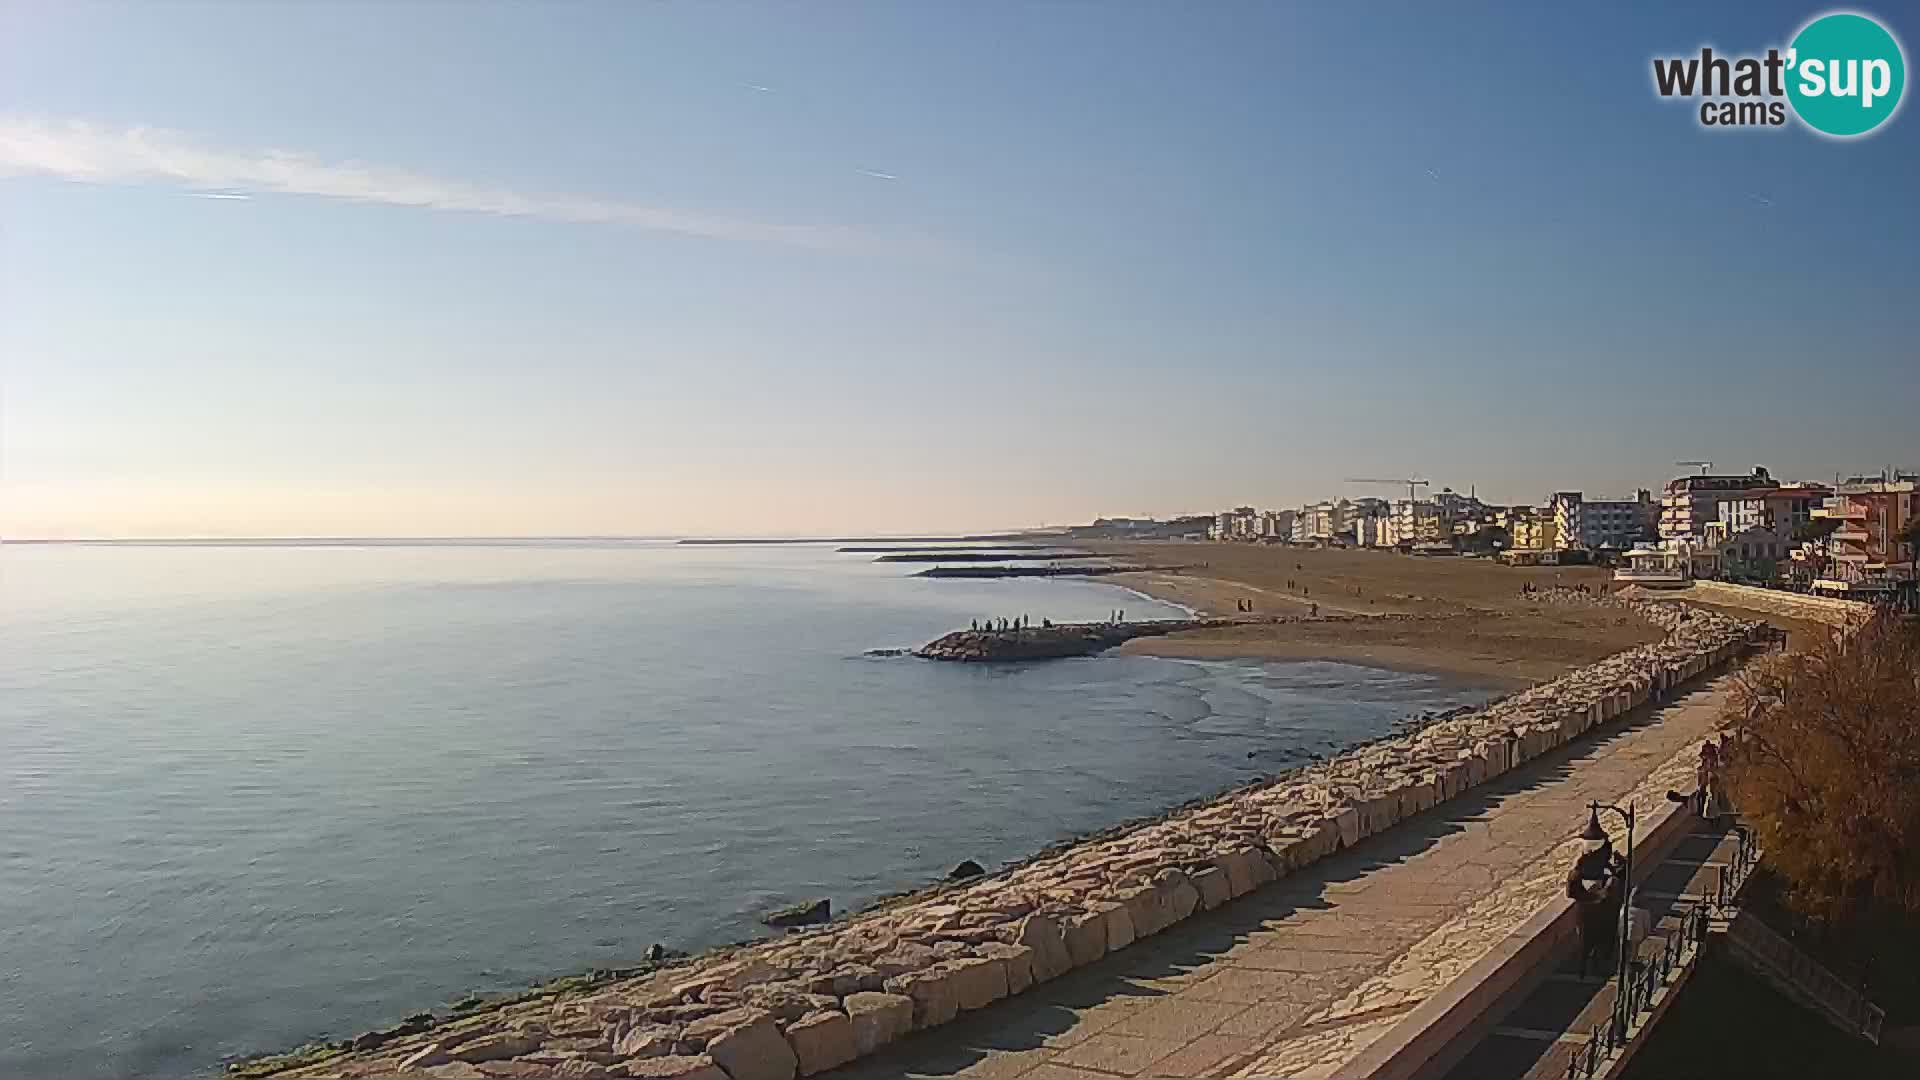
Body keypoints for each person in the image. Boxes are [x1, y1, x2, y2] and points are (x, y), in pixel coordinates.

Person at [1567, 833, 1626, 977]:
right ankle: (1593, 967)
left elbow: (1572, 892)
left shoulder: (1590, 873)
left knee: (1587, 944)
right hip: (1602, 915)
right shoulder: (1608, 878)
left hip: (1591, 916)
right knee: (1599, 943)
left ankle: (1585, 969)